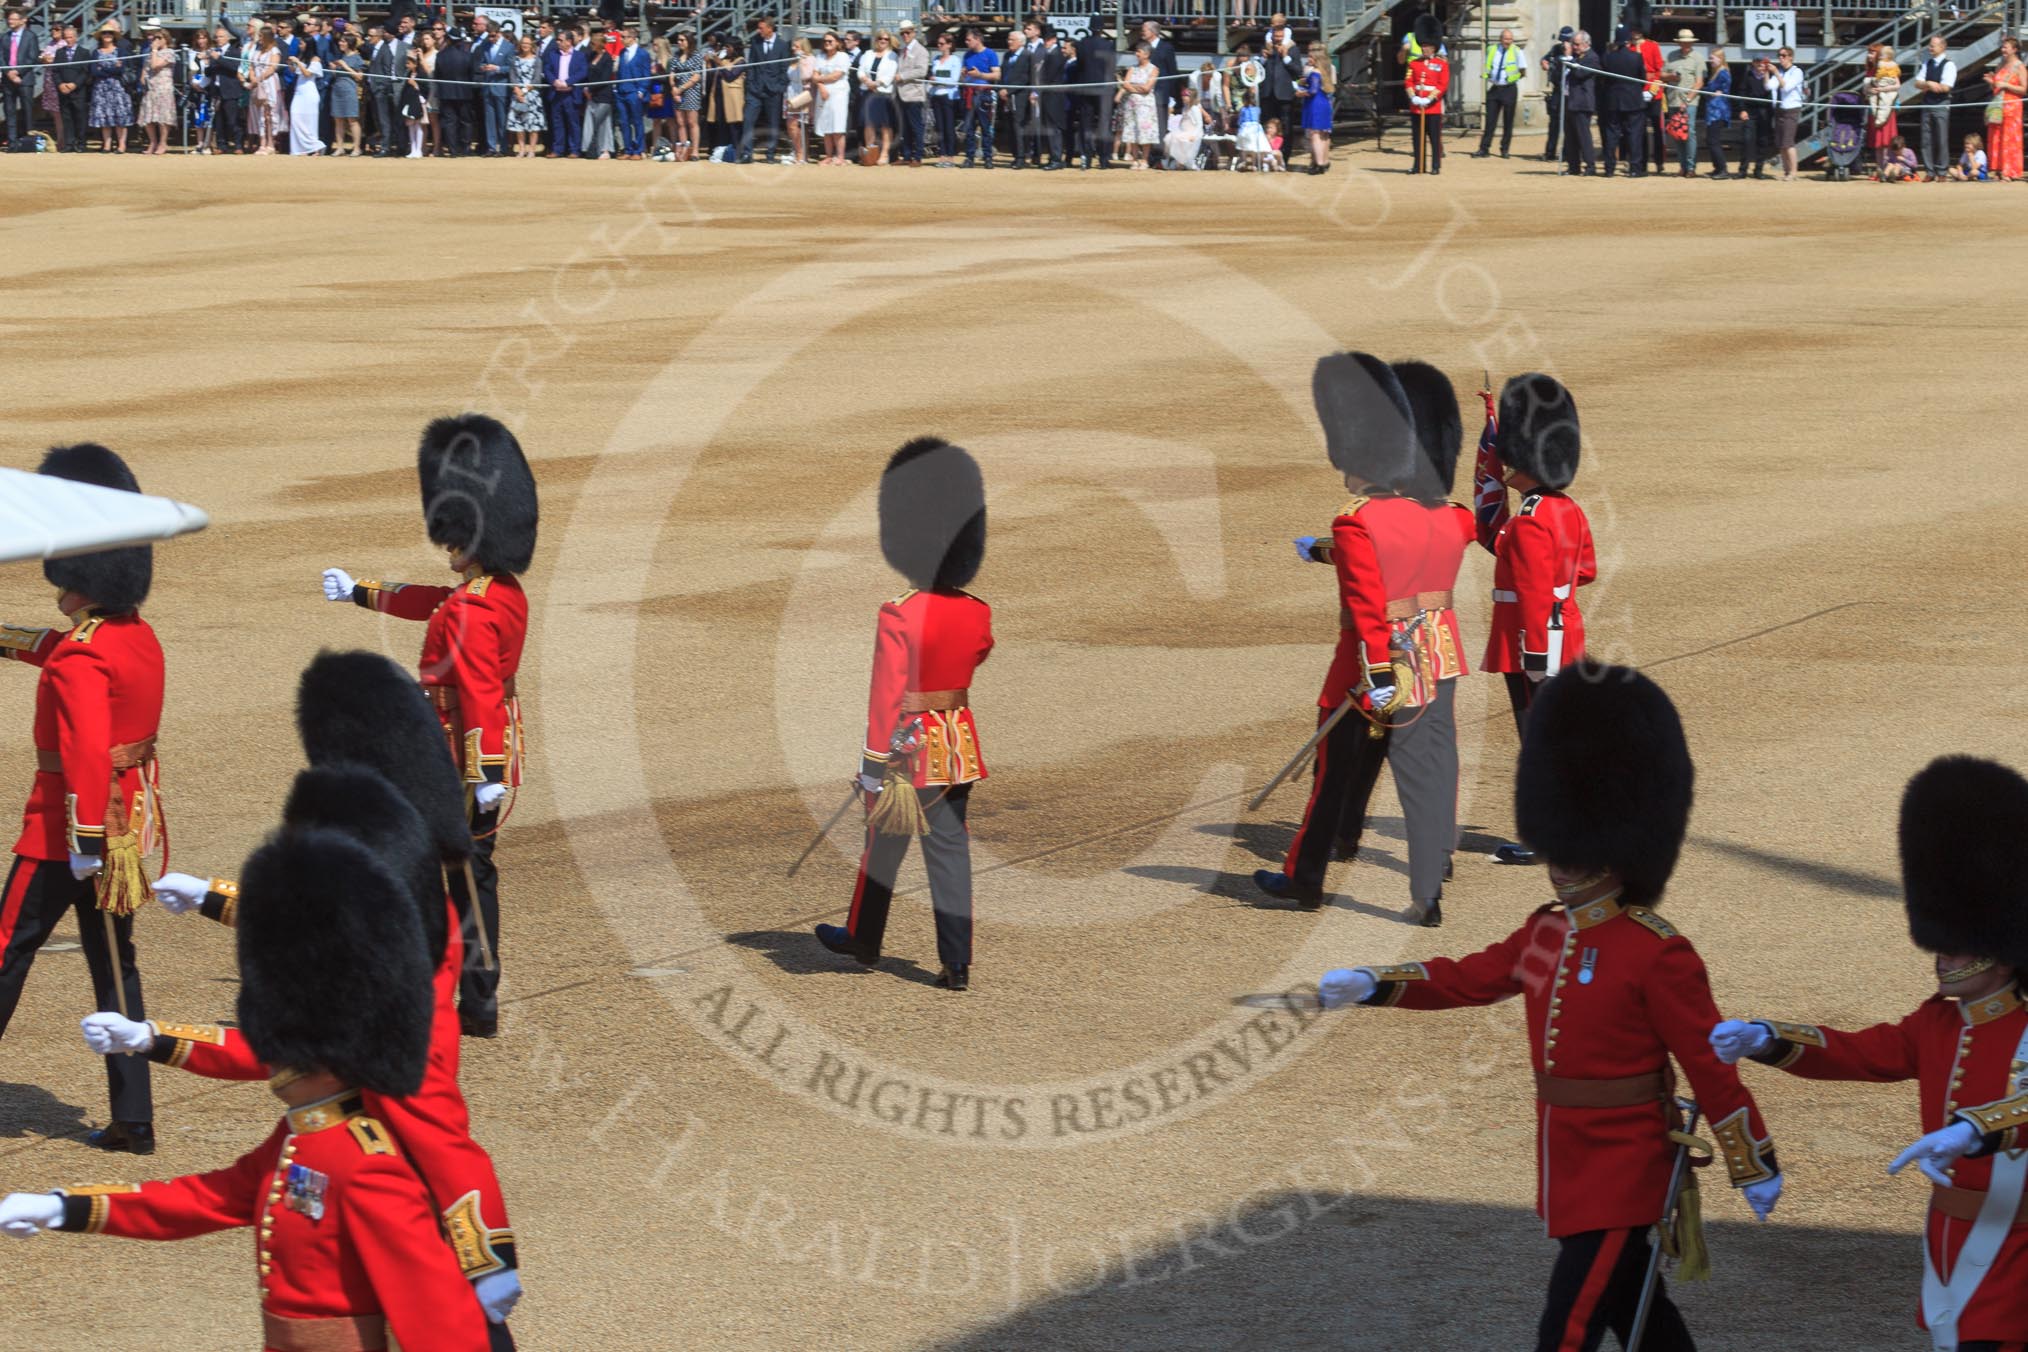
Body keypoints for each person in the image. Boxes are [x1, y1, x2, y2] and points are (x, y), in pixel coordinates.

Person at [1318, 663, 1785, 1350]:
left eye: (1575, 854)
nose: (1559, 865)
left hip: (1628, 1167)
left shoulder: (1657, 951)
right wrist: (1374, 982)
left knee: (1567, 1327)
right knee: (1639, 1317)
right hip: (1567, 1155)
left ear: (1617, 852)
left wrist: (1753, 1161)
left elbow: (1708, 1063)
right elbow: (1470, 978)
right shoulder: (1547, 931)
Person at [137, 655, 526, 1334]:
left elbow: (337, 933)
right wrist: (215, 901)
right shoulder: (384, 840)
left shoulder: (389, 857)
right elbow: (322, 925)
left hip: (392, 1080)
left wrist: (487, 1253)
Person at [0, 827, 493, 1352]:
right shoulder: (301, 1138)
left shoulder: (366, 1164)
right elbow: (203, 1200)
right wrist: (60, 1208)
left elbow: (436, 1313)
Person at [1710, 755, 2028, 1352]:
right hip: (1952, 1234)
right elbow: (1863, 1053)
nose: (1943, 960)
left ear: (2002, 952)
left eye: (1959, 950)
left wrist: (1973, 1131)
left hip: (2019, 1247)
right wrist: (1766, 1038)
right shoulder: (1940, 1020)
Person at [320, 417, 533, 1040]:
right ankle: (479, 997)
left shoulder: (471, 609)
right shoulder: (499, 590)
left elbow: (478, 692)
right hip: (474, 754)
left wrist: (482, 774)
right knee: (471, 875)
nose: (449, 548)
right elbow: (430, 599)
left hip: (452, 758)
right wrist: (362, 592)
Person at [1264, 357, 1473, 925]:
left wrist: (1377, 675)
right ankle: (1429, 896)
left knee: (1333, 779)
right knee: (1425, 779)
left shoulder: (1356, 521)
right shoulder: (1452, 518)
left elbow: (1366, 603)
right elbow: (1405, 551)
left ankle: (1303, 878)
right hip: (1438, 659)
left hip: (1371, 671)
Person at [0, 445, 164, 1155]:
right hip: (119, 833)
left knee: (5, 952)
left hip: (64, 834)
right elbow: (57, 648)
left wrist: (82, 842)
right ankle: (134, 1118)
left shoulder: (83, 654)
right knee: (115, 969)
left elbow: (86, 750)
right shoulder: (131, 637)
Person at [815, 440, 992, 993]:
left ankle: (863, 940)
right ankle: (955, 964)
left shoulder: (900, 613)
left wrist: (872, 764)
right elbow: (980, 652)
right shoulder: (977, 612)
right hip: (957, 742)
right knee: (949, 851)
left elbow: (885, 692)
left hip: (905, 747)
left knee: (882, 844)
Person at [1470, 374, 1595, 865]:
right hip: (1567, 636)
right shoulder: (1567, 512)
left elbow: (1531, 596)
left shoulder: (1528, 521)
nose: (1502, 466)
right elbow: (1584, 571)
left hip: (1530, 646)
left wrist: (1537, 657)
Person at [1597, 27, 1646, 177]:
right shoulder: (1636, 57)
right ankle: (1635, 168)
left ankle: (1609, 168)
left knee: (1611, 135)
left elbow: (1602, 79)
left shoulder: (1607, 56)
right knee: (1634, 135)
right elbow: (1642, 79)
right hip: (1633, 100)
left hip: (1613, 100)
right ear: (1628, 40)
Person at [739, 16, 786, 163]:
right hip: (755, 90)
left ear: (770, 28)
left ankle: (770, 154)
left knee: (773, 123)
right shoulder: (755, 42)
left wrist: (779, 87)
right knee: (748, 120)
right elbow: (751, 65)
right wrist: (751, 84)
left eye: (761, 28)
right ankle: (747, 153)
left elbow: (784, 69)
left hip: (773, 91)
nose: (759, 31)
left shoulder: (782, 45)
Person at [1404, 14, 1447, 174]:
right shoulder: (1414, 64)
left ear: (1434, 47)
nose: (1424, 49)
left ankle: (1435, 166)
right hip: (1416, 106)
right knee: (1417, 139)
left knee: (1434, 139)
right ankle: (1418, 165)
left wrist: (1429, 99)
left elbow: (1442, 85)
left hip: (1433, 107)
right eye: (1423, 46)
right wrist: (1413, 97)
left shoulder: (1441, 64)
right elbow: (1408, 82)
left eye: (1427, 46)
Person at [1912, 33, 1956, 181]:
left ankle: (1942, 171)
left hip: (1941, 104)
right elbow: (1917, 83)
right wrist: (1929, 84)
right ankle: (1930, 171)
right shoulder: (1927, 63)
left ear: (1943, 47)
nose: (1930, 47)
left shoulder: (1949, 64)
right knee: (1926, 139)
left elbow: (1945, 87)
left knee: (1941, 138)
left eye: (1933, 45)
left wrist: (1927, 85)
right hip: (1927, 103)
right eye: (1930, 44)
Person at [85, 22, 134, 153]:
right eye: (105, 33)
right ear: (100, 36)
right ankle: (107, 144)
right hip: (101, 89)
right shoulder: (96, 52)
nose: (107, 35)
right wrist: (112, 68)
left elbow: (121, 69)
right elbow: (94, 71)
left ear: (114, 36)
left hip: (118, 89)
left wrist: (104, 68)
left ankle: (121, 145)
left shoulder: (121, 51)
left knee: (120, 118)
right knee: (104, 117)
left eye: (110, 33)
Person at [1476, 26, 1523, 157]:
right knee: (1490, 120)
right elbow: (1487, 65)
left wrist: (1513, 78)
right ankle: (1484, 148)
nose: (1508, 41)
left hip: (1509, 88)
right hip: (1495, 88)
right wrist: (1487, 76)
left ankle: (1505, 149)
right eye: (1506, 38)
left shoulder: (1517, 51)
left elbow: (1523, 70)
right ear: (1501, 39)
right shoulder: (1492, 49)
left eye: (1510, 39)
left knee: (1508, 121)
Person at [1259, 11, 1301, 157]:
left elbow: (1298, 71)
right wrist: (1263, 59)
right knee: (1267, 126)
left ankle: (1284, 156)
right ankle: (1267, 156)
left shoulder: (1292, 49)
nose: (1277, 39)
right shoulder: (1266, 47)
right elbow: (1257, 71)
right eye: (1275, 36)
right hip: (1268, 94)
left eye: (1280, 37)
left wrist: (1286, 57)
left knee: (1286, 127)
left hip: (1284, 95)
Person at [1661, 28, 1701, 177]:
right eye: (1683, 42)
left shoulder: (1697, 58)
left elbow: (1699, 83)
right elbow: (1662, 75)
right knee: (1677, 134)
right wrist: (1671, 76)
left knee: (1689, 132)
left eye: (1687, 42)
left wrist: (1688, 99)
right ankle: (1683, 165)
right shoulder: (1671, 56)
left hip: (1689, 101)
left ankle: (1690, 167)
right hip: (1673, 100)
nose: (1685, 44)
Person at [1558, 29, 1599, 175]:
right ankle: (1573, 166)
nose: (1574, 47)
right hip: (1569, 100)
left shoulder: (1592, 57)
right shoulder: (1575, 57)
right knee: (1570, 137)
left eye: (1577, 44)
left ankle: (1590, 166)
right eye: (1573, 44)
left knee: (1583, 136)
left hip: (1582, 102)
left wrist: (1569, 57)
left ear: (1586, 44)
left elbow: (1579, 73)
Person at [1073, 24, 1114, 169]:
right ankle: (1103, 158)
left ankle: (1087, 157)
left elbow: (1079, 65)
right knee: (1104, 123)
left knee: (1086, 124)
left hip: (1086, 87)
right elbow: (1110, 66)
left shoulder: (1082, 44)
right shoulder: (1108, 45)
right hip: (1103, 88)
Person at [370, 14, 410, 157]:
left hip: (399, 86)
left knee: (400, 119)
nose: (383, 34)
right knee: (384, 120)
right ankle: (385, 147)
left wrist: (404, 81)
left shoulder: (405, 46)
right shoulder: (380, 47)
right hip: (382, 88)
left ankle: (401, 146)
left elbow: (409, 67)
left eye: (385, 31)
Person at [471, 14, 512, 155]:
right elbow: (481, 62)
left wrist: (498, 68)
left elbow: (512, 67)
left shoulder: (508, 47)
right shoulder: (485, 45)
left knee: (502, 119)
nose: (491, 39)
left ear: (499, 33)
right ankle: (491, 147)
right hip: (488, 86)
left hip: (501, 87)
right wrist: (483, 67)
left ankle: (504, 147)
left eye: (493, 36)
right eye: (489, 36)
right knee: (489, 119)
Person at [1985, 36, 2024, 181]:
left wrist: (2006, 85)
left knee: (2010, 139)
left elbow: (2024, 88)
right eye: (2002, 47)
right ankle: (1998, 169)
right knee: (1996, 137)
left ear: (2014, 50)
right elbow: (1996, 87)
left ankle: (2010, 171)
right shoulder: (2000, 65)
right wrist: (1991, 82)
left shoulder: (2019, 66)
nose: (2003, 50)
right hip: (1998, 106)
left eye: (2006, 47)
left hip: (2012, 107)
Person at [958, 26, 997, 168]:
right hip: (969, 93)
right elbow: (964, 77)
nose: (966, 42)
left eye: (969, 40)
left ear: (978, 39)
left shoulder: (990, 54)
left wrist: (980, 75)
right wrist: (963, 75)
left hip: (983, 93)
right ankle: (970, 157)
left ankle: (988, 157)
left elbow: (997, 75)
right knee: (969, 127)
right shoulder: (967, 55)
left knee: (985, 127)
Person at [1141, 19, 1179, 166]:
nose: (1142, 33)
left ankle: (1159, 156)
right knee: (1147, 124)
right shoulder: (1141, 47)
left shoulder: (1166, 47)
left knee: (1160, 125)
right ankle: (1147, 155)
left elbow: (1172, 71)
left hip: (1161, 92)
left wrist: (1171, 95)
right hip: (1145, 92)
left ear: (1153, 32)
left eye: (1144, 30)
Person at [2, 6, 41, 144]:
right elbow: (1, 57)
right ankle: (12, 141)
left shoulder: (31, 36)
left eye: (13, 19)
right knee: (9, 110)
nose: (10, 21)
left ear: (22, 21)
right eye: (9, 19)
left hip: (25, 79)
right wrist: (9, 73)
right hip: (8, 79)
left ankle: (28, 141)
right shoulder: (5, 37)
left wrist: (18, 71)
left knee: (27, 110)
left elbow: (33, 57)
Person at [544, 26, 584, 158]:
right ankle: (558, 149)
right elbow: (547, 70)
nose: (558, 42)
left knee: (573, 122)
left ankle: (574, 150)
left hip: (570, 93)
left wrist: (568, 82)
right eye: (557, 40)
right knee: (557, 122)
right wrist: (554, 81)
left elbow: (582, 72)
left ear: (569, 42)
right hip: (556, 92)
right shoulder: (553, 54)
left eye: (560, 40)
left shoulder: (579, 56)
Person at [858, 29, 898, 164]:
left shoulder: (892, 55)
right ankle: (871, 152)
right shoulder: (868, 54)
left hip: (883, 93)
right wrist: (867, 82)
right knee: (868, 123)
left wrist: (876, 83)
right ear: (876, 40)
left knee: (885, 125)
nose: (883, 41)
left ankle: (885, 154)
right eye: (880, 38)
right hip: (868, 91)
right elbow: (860, 70)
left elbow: (890, 75)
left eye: (886, 39)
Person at [1002, 28, 1039, 168]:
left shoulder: (1027, 55)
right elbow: (1004, 73)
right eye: (1008, 39)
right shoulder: (1007, 55)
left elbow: (1026, 78)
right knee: (1010, 125)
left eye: (1012, 40)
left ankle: (1021, 156)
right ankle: (1015, 154)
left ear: (1020, 42)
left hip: (1020, 96)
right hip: (1006, 95)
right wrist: (1001, 89)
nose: (1009, 42)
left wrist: (1010, 90)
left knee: (1019, 125)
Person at [811, 29, 849, 165]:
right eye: (825, 41)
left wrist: (819, 79)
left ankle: (840, 156)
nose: (827, 43)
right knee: (825, 124)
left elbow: (836, 76)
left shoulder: (843, 56)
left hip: (838, 93)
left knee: (837, 125)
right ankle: (828, 155)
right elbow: (813, 76)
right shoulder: (820, 56)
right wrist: (821, 87)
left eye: (830, 41)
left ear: (837, 43)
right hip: (823, 93)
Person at [612, 28, 651, 159]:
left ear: (633, 38)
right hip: (622, 91)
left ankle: (638, 150)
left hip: (634, 92)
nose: (621, 39)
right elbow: (619, 72)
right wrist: (616, 88)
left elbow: (646, 74)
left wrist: (641, 91)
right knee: (623, 122)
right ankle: (628, 150)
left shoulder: (642, 54)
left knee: (637, 121)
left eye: (624, 37)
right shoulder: (622, 52)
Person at [135, 27, 175, 155]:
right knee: (148, 117)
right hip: (151, 87)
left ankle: (163, 143)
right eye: (155, 38)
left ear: (166, 39)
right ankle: (152, 142)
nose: (156, 40)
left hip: (164, 88)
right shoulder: (151, 53)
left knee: (163, 117)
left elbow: (155, 65)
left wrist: (154, 50)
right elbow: (146, 67)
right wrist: (143, 77)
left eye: (159, 38)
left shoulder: (169, 52)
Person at [1119, 40, 1158, 169]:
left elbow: (1147, 88)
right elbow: (1125, 84)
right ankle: (1135, 159)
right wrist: (1137, 87)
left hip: (1146, 106)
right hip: (1131, 105)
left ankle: (1145, 160)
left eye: (1139, 52)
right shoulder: (1132, 68)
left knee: (1145, 132)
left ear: (1146, 54)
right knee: (1132, 131)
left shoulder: (1154, 69)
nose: (1136, 54)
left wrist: (1133, 86)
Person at [436, 30, 475, 156]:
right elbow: (471, 74)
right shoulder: (467, 55)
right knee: (466, 121)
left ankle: (453, 149)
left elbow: (438, 75)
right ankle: (466, 148)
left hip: (446, 93)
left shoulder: (441, 55)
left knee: (450, 122)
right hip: (464, 92)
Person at [893, 19, 927, 164]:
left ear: (913, 32)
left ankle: (918, 156)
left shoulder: (921, 50)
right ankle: (907, 156)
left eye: (908, 32)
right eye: (903, 33)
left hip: (914, 94)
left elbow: (922, 71)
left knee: (916, 126)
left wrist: (903, 76)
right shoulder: (903, 51)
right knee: (905, 126)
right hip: (902, 93)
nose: (905, 35)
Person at [1039, 26, 1073, 168]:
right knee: (1051, 127)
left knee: (1054, 127)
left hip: (1053, 96)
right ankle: (1054, 157)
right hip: (1050, 95)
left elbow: (1049, 75)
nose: (1045, 42)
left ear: (1053, 40)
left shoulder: (1055, 54)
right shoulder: (1053, 53)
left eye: (1047, 40)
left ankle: (1056, 159)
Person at [1865, 43, 1901, 176]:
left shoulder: (1888, 67)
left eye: (1872, 53)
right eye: (1869, 52)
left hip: (1886, 108)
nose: (1869, 55)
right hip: (1874, 108)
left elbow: (1897, 85)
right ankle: (1880, 167)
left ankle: (1889, 167)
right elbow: (1866, 89)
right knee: (1877, 141)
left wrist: (1882, 89)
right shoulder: (1870, 70)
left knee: (1887, 141)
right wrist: (1869, 90)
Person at [1769, 45, 1803, 181]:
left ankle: (1793, 172)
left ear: (1791, 57)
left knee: (1788, 142)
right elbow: (1769, 86)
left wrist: (1776, 73)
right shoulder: (1781, 72)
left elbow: (1787, 87)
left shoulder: (1797, 72)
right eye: (1779, 55)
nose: (1781, 58)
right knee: (1781, 143)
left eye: (1783, 55)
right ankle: (1786, 170)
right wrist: (1767, 73)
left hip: (1792, 108)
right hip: (1780, 108)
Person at [507, 33, 543, 156]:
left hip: (532, 94)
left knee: (533, 124)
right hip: (517, 95)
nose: (525, 46)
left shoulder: (537, 60)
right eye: (523, 43)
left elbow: (537, 79)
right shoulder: (514, 59)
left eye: (527, 43)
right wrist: (517, 91)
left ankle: (532, 149)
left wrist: (525, 91)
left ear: (532, 45)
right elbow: (512, 77)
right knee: (519, 124)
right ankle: (521, 149)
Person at [929, 30, 961, 166]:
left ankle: (951, 156)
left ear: (949, 45)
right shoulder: (936, 59)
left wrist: (937, 79)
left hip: (949, 97)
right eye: (938, 43)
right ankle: (942, 154)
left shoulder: (955, 60)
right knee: (940, 127)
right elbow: (933, 76)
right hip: (936, 95)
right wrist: (939, 79)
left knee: (949, 127)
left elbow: (954, 79)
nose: (939, 46)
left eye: (942, 43)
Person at [286, 39, 324, 154]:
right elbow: (293, 71)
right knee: (295, 118)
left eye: (302, 43)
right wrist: (291, 63)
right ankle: (301, 148)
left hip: (309, 93)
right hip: (299, 92)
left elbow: (308, 74)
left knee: (309, 121)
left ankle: (315, 147)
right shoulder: (301, 57)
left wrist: (297, 61)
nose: (300, 45)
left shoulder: (315, 59)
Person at [1540, 25, 1572, 161]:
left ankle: (1566, 153)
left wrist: (1568, 55)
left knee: (1568, 125)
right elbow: (1545, 59)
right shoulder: (1556, 49)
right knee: (1554, 124)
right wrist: (1544, 63)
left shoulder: (1574, 51)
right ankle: (1550, 152)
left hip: (1569, 92)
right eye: (1562, 41)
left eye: (1566, 40)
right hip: (1557, 90)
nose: (1564, 44)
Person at [1299, 41, 1332, 173]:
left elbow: (1312, 90)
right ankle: (1323, 161)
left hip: (1315, 104)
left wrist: (1301, 93)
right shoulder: (1325, 70)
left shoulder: (1315, 72)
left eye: (1311, 57)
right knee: (1324, 134)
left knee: (1315, 134)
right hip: (1324, 102)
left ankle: (1318, 163)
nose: (1308, 59)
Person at [331, 32, 366, 155]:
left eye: (343, 41)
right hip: (337, 89)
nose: (340, 43)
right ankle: (340, 147)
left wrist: (346, 67)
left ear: (349, 43)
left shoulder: (357, 58)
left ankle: (357, 147)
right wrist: (334, 69)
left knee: (352, 119)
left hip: (350, 90)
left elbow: (359, 77)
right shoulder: (341, 56)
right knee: (338, 119)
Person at [1739, 54, 1773, 178]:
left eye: (1762, 62)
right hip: (1750, 111)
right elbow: (1741, 92)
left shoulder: (1771, 77)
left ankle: (1758, 170)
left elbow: (1772, 93)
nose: (1760, 64)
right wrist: (1742, 109)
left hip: (1765, 111)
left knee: (1763, 141)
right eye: (1757, 61)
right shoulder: (1748, 75)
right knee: (1747, 140)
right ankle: (1743, 170)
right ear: (1753, 63)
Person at [671, 30, 703, 161]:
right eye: (678, 40)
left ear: (689, 41)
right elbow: (672, 74)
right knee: (680, 123)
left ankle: (695, 151)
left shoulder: (696, 56)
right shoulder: (675, 56)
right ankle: (684, 149)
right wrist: (674, 88)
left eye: (682, 40)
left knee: (692, 122)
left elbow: (696, 76)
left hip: (691, 91)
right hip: (677, 92)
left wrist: (681, 89)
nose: (679, 43)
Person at [1702, 46, 1732, 179]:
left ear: (1720, 59)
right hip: (1712, 111)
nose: (1711, 61)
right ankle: (1717, 168)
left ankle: (1723, 169)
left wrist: (1715, 91)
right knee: (1710, 140)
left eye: (1712, 58)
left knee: (1713, 141)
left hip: (1718, 112)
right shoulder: (1715, 73)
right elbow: (1711, 90)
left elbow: (1722, 88)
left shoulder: (1723, 73)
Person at [1163, 82, 1204, 169]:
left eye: (1186, 96)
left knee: (1180, 140)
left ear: (1191, 97)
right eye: (1182, 95)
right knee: (1170, 138)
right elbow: (1182, 122)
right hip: (1184, 131)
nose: (1183, 97)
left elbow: (1199, 124)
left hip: (1193, 132)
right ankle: (1177, 161)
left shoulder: (1195, 109)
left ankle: (1185, 162)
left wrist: (1194, 135)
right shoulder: (1185, 108)